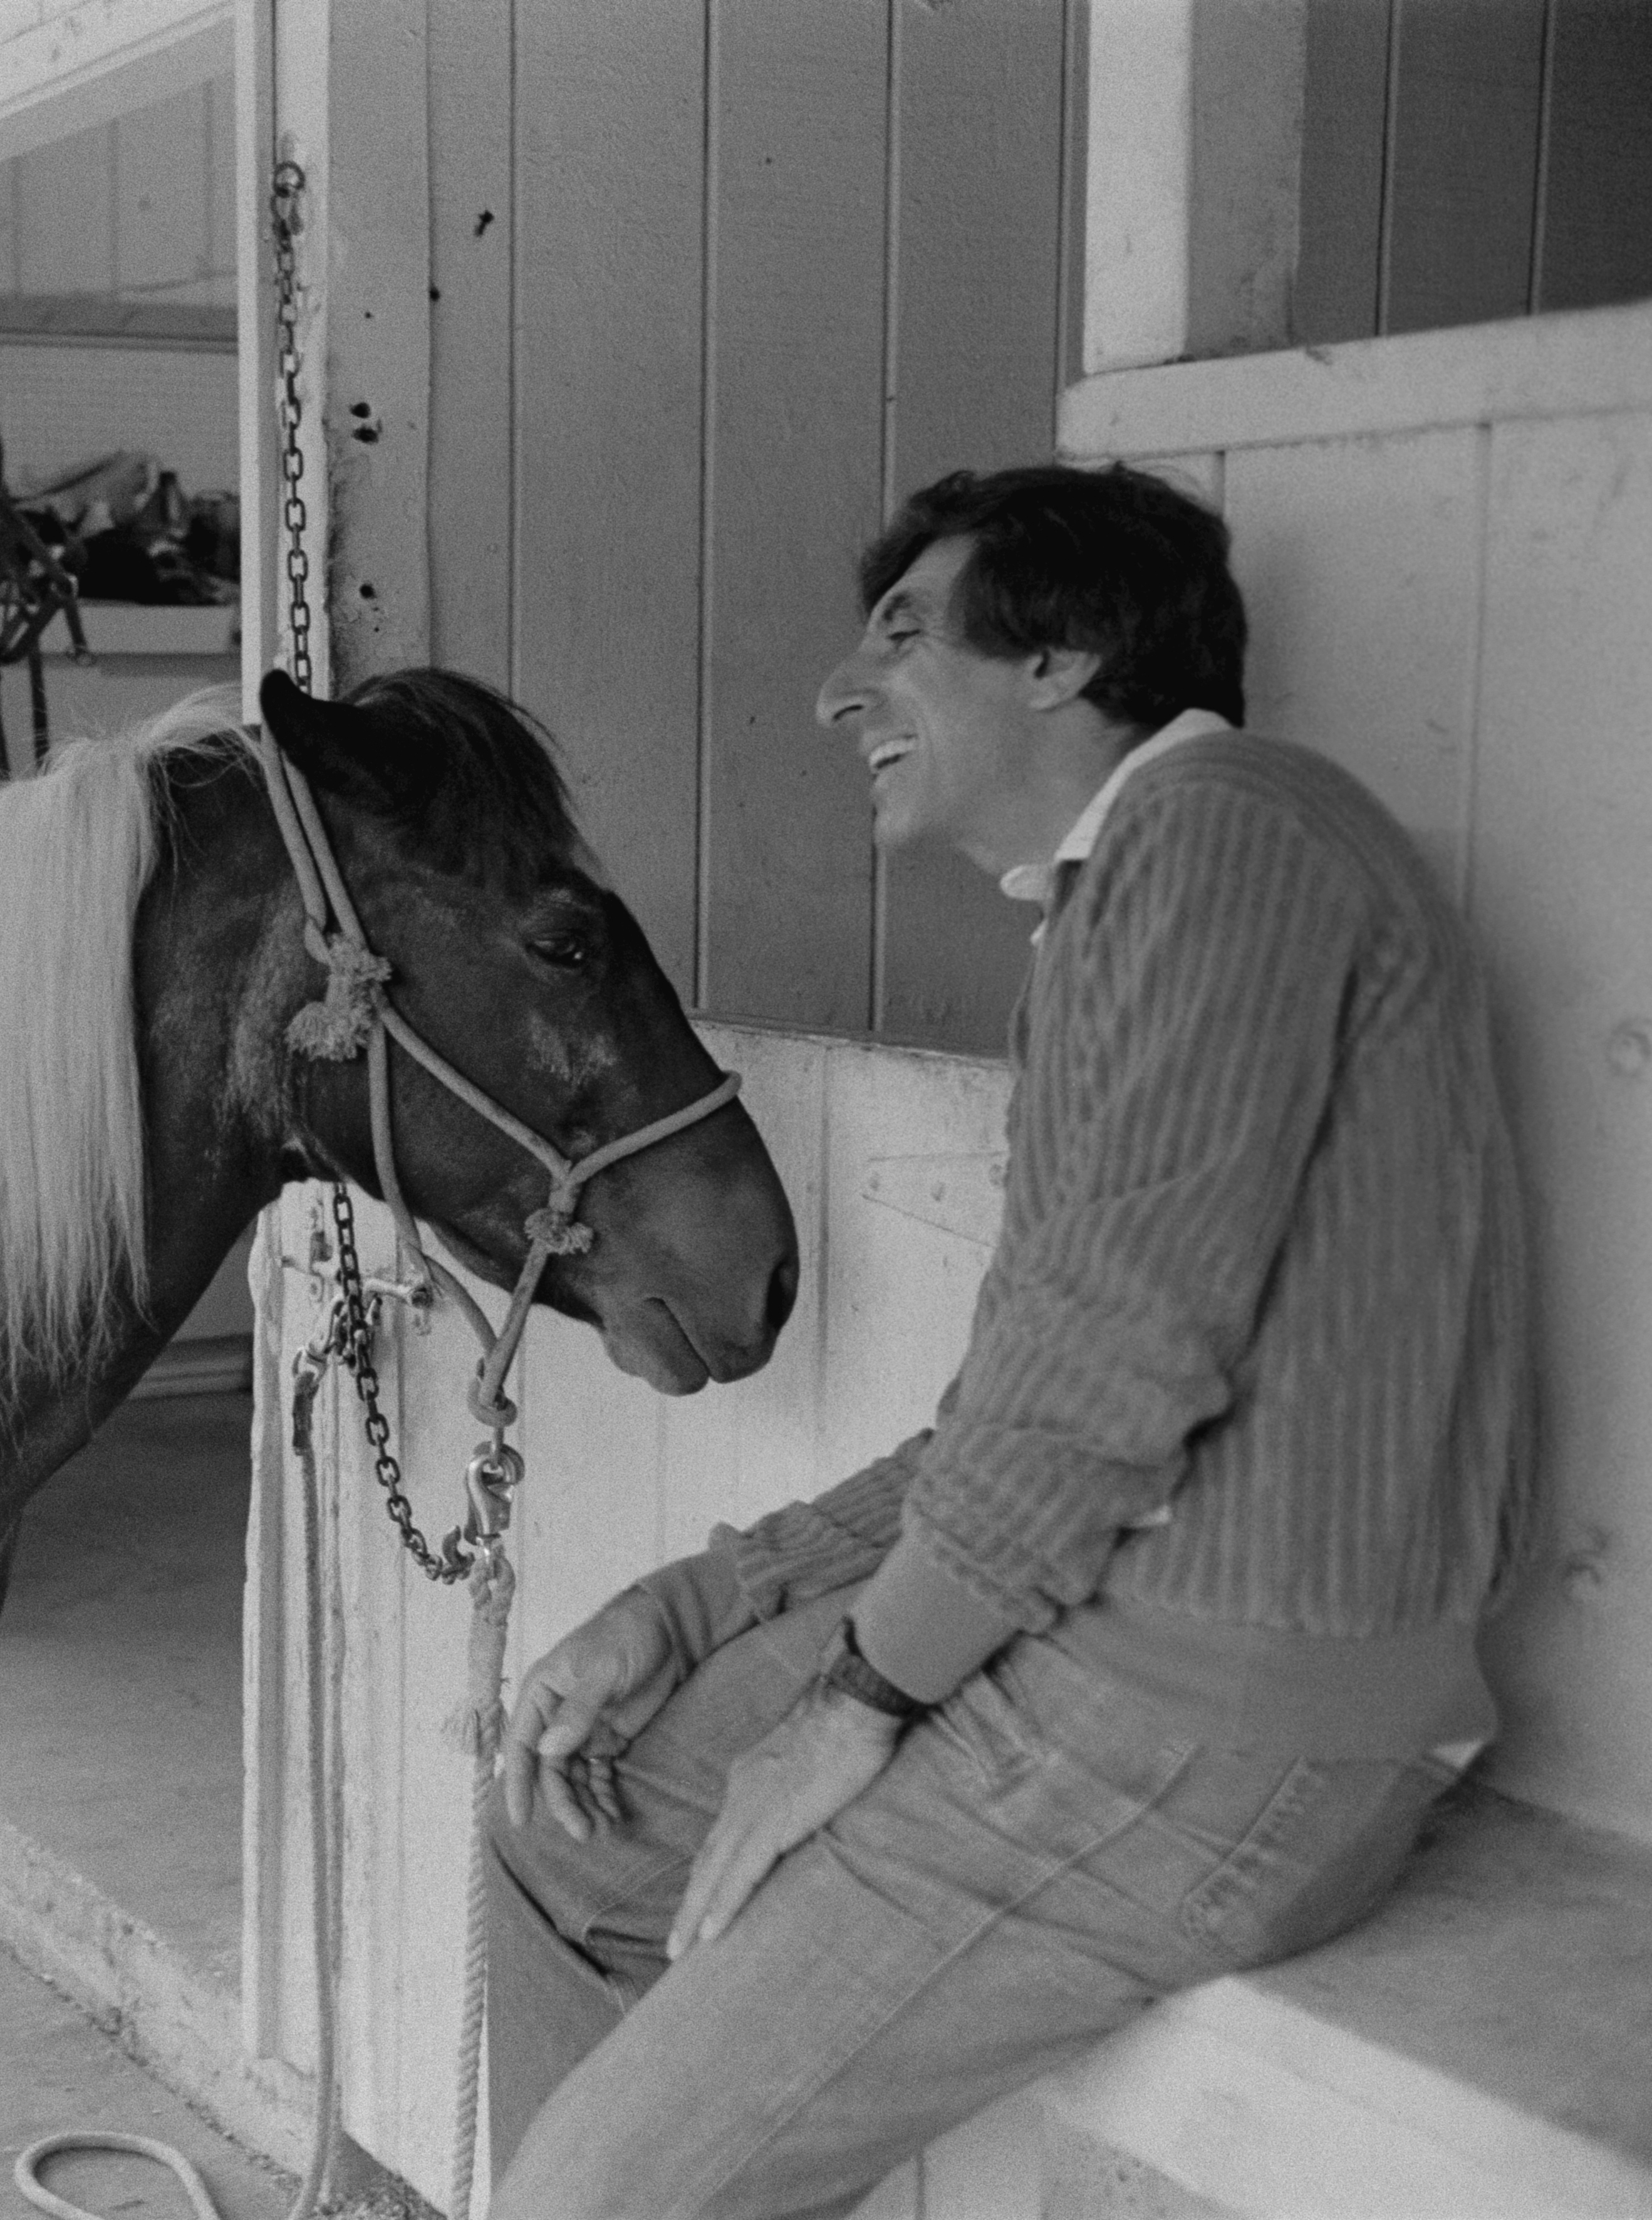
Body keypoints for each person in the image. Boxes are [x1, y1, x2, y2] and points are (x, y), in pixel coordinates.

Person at [482, 462, 1535, 2220]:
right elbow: (1011, 1414)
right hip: (1097, 1653)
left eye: (901, 632)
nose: (836, 691)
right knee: (561, 1809)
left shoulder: (1220, 839)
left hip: (1205, 1719)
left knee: (588, 2198)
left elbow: (1105, 1377)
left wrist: (859, 1697)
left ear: (1061, 659)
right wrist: (691, 1605)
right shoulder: (1135, 887)